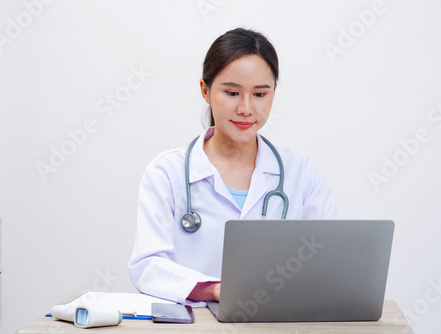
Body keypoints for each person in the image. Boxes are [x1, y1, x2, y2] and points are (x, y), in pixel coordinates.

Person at [128, 28, 337, 304]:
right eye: (231, 92)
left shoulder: (302, 172)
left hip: (277, 323)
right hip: (194, 322)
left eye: (260, 95)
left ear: (274, 92)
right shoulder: (166, 172)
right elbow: (148, 266)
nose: (246, 109)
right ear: (205, 90)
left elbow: (330, 262)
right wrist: (215, 290)